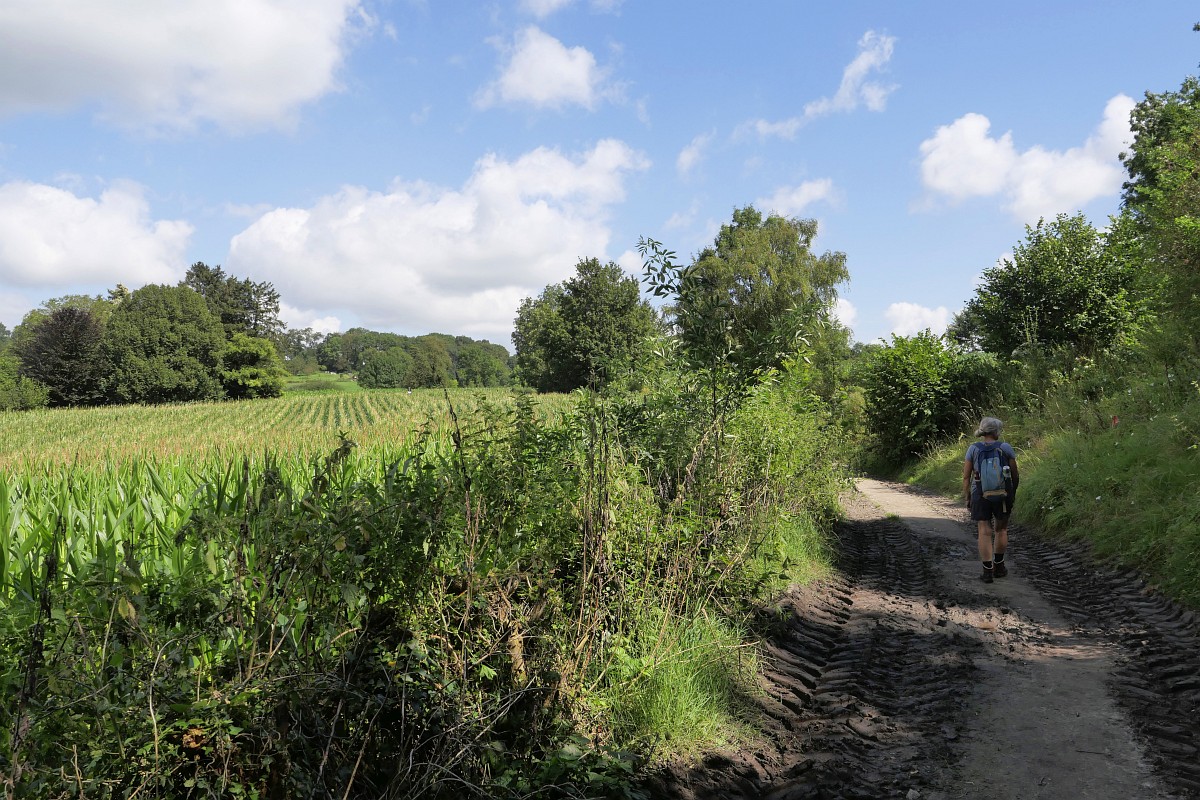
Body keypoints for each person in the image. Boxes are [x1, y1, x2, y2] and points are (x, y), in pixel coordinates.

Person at [962, 416, 1018, 584]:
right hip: (1003, 494)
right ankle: (999, 567)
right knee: (1001, 530)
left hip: (980, 494)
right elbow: (1014, 474)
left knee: (984, 531)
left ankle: (987, 571)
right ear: (996, 432)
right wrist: (1012, 492)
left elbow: (966, 477)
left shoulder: (973, 449)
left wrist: (968, 497)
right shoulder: (1005, 447)